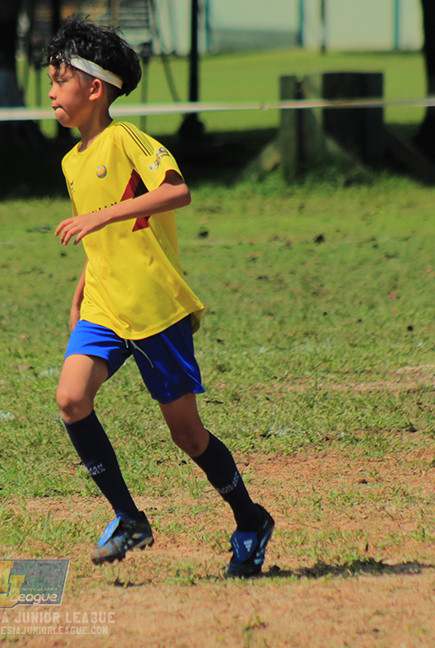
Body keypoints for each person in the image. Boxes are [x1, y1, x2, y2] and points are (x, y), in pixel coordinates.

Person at [46, 18, 274, 578]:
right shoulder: (72, 161)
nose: (50, 90)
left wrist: (95, 217)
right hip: (104, 305)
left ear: (94, 88)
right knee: (71, 400)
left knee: (186, 433)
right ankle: (129, 518)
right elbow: (104, 238)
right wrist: (82, 286)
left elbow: (176, 191)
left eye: (59, 79)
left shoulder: (127, 140)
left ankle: (250, 520)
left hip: (153, 307)